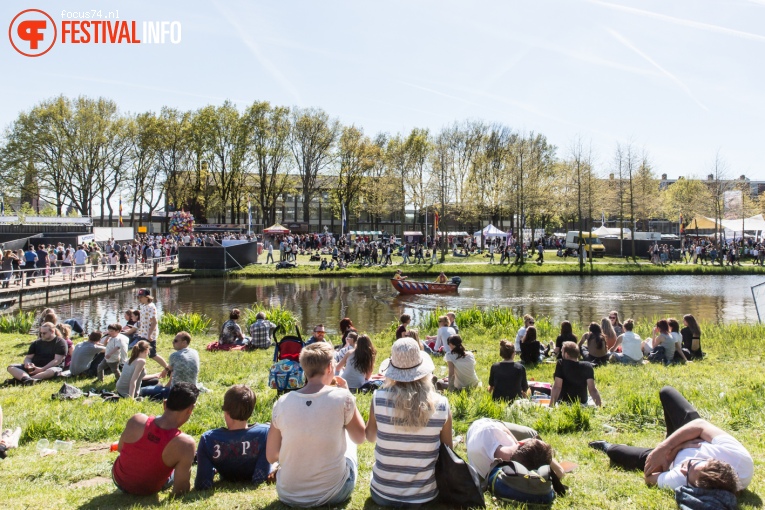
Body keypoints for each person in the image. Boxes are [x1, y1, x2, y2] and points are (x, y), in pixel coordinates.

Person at [589, 386, 753, 493]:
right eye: (691, 464)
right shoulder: (741, 459)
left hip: (669, 461)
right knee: (667, 392)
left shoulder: (680, 479)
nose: (684, 468)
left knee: (616, 452)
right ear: (713, 459)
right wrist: (664, 447)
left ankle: (607, 445)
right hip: (692, 434)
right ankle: (670, 437)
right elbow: (700, 425)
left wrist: (672, 452)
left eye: (687, 473)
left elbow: (649, 478)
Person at [266, 342, 366, 507]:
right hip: (333, 492)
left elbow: (271, 456)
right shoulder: (343, 398)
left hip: (288, 493)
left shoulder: (282, 402)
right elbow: (360, 437)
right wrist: (347, 393)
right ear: (329, 368)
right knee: (349, 439)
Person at [365, 337, 452, 506]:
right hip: (425, 495)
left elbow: (370, 437)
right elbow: (447, 449)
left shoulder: (378, 399)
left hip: (382, 493)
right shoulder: (441, 405)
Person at [112, 382, 200, 495]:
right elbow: (181, 489)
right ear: (190, 410)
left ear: (164, 404)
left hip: (119, 480)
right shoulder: (186, 444)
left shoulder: (137, 419)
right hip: (149, 489)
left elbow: (120, 448)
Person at [195, 385, 274, 490]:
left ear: (226, 411)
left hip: (225, 473)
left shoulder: (208, 439)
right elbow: (260, 478)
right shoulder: (265, 433)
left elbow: (202, 483)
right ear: (251, 411)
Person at [466, 418, 565, 485]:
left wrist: (518, 443)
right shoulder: (513, 473)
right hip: (483, 428)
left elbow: (511, 438)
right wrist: (559, 469)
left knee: (533, 437)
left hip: (480, 427)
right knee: (533, 433)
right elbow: (559, 473)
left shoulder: (491, 430)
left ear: (521, 443)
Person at [141, 331, 199, 401]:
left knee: (143, 390)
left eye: (176, 341)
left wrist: (165, 387)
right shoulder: (194, 352)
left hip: (176, 392)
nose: (173, 342)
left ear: (184, 342)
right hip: (192, 390)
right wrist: (165, 370)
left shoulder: (175, 355)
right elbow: (173, 369)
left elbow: (172, 375)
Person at [550, 342, 601, 407]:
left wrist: (551, 405)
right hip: (582, 402)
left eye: (562, 351)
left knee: (552, 388)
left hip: (564, 402)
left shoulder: (561, 363)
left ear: (566, 354)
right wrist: (600, 406)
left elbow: (557, 387)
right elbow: (592, 389)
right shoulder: (587, 366)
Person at [134, 288, 169, 371]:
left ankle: (168, 369)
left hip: (149, 335)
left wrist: (149, 335)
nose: (139, 299)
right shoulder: (143, 306)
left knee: (152, 355)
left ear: (147, 297)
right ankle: (138, 371)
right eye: (138, 297)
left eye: (141, 297)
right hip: (142, 333)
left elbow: (154, 322)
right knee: (139, 353)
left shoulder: (151, 307)